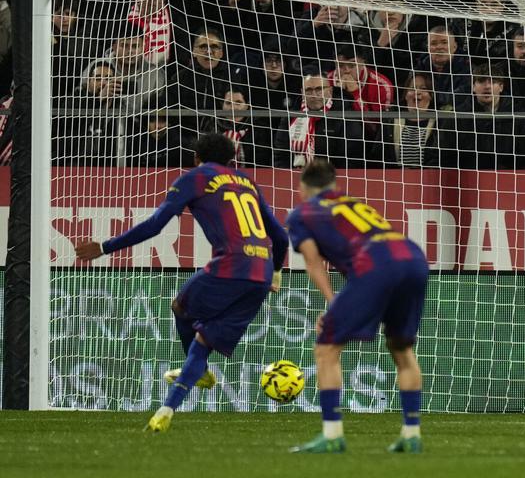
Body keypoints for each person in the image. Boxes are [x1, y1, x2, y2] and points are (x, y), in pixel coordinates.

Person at [72, 132, 289, 433]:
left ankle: (194, 375)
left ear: (196, 158)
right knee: (204, 342)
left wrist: (105, 247)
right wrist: (275, 272)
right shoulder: (246, 181)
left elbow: (156, 224)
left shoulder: (196, 177)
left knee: (180, 307)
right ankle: (167, 408)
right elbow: (280, 235)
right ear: (230, 160)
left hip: (230, 265)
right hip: (261, 273)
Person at [287, 159, 429, 453]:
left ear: (303, 188)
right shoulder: (353, 203)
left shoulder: (302, 213)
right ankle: (412, 434)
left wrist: (332, 303)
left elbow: (314, 264)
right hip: (413, 257)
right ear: (334, 186)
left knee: (327, 347)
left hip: (376, 263)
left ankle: (332, 435)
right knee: (401, 348)